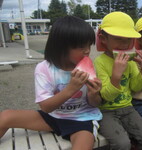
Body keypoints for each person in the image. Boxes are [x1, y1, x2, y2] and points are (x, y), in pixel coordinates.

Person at [0, 16, 103, 150]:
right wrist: (71, 89)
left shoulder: (88, 67)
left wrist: (94, 94)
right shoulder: (44, 69)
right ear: (61, 47)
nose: (87, 51)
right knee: (6, 116)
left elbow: (95, 104)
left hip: (82, 119)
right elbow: (46, 107)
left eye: (89, 45)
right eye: (80, 46)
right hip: (52, 117)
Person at [94, 11, 142, 150]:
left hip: (128, 108)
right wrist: (116, 76)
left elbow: (136, 87)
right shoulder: (100, 62)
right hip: (106, 111)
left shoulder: (130, 61)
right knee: (122, 144)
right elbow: (105, 96)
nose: (125, 44)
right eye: (119, 38)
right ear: (103, 39)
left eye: (128, 39)